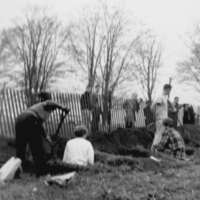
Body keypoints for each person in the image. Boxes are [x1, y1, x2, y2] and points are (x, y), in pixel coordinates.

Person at [15, 91, 70, 177]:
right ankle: (42, 173)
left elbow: (41, 128)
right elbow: (50, 103)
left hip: (19, 120)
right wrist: (62, 107)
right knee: (37, 148)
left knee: (21, 149)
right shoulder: (45, 104)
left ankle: (16, 173)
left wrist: (49, 141)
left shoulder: (36, 109)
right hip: (29, 120)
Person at [150, 84, 176, 149]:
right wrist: (156, 115)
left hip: (165, 119)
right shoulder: (160, 97)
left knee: (161, 135)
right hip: (161, 119)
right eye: (170, 90)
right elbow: (152, 107)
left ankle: (156, 151)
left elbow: (168, 101)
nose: (170, 92)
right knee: (158, 135)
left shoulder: (164, 97)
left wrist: (173, 108)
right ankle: (153, 150)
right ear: (167, 89)